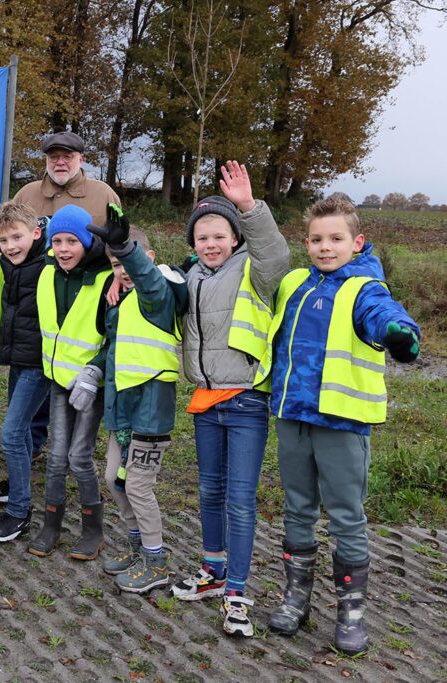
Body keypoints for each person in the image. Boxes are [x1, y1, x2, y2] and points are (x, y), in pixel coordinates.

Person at [258, 195, 420, 655]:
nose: (325, 247)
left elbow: (385, 316)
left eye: (335, 239)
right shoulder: (293, 283)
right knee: (297, 510)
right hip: (292, 417)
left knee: (346, 518)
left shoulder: (365, 288)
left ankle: (351, 611)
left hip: (342, 425)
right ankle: (297, 598)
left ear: (357, 242)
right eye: (316, 239)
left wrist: (399, 335)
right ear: (305, 243)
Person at [169, 161, 289, 638]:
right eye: (202, 238)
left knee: (240, 499)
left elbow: (276, 255)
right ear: (193, 244)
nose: (211, 243)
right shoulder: (191, 277)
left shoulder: (255, 273)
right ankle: (213, 573)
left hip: (244, 403)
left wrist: (248, 206)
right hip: (206, 401)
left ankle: (237, 590)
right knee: (209, 493)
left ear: (235, 238)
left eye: (220, 235)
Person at [12, 131, 122, 474]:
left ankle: (71, 452)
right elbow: (7, 233)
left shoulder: (103, 194)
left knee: (67, 378)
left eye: (67, 156)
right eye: (53, 156)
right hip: (36, 297)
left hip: (88, 298)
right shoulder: (27, 193)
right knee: (31, 372)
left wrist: (120, 274)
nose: (60, 162)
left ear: (81, 159)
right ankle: (31, 446)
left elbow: (121, 239)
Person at [95, 210, 188, 593]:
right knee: (114, 480)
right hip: (123, 411)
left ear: (148, 257)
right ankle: (136, 547)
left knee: (138, 486)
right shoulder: (121, 303)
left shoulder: (157, 295)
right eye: (116, 265)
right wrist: (93, 372)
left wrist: (125, 248)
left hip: (151, 410)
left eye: (130, 261)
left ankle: (156, 561)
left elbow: (148, 280)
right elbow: (115, 353)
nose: (124, 270)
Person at [27, 204, 111, 561]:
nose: (63, 249)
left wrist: (95, 372)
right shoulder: (47, 272)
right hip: (59, 380)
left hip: (91, 385)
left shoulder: (107, 280)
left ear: (89, 241)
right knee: (57, 458)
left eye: (72, 241)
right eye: (57, 241)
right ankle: (52, 524)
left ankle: (93, 530)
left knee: (80, 457)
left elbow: (116, 337)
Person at [0, 201, 48, 542]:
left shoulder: (49, 262)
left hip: (41, 363)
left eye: (18, 237)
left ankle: (20, 511)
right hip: (19, 359)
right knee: (18, 433)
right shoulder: (9, 263)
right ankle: (16, 491)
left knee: (10, 433)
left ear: (36, 233)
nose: (11, 246)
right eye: (4, 241)